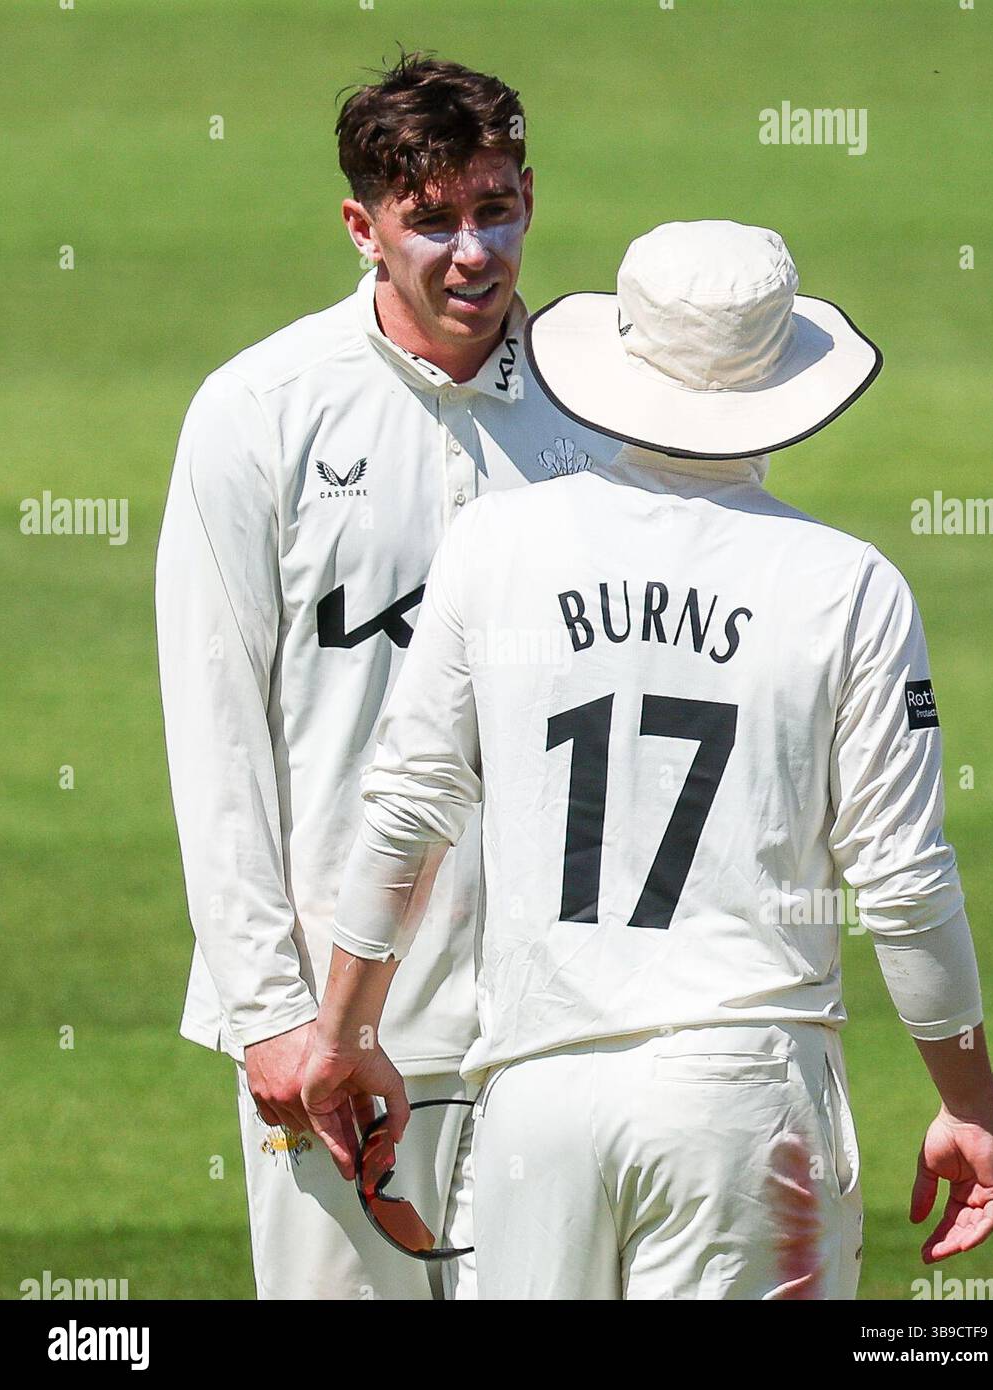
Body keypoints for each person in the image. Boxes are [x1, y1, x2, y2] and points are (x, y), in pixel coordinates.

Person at [301, 220, 993, 1299]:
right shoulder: (846, 585)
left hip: (535, 1100)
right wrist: (966, 1103)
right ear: (780, 373)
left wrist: (345, 1027)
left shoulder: (495, 546)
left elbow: (405, 807)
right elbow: (901, 880)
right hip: (741, 1100)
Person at [155, 52, 615, 1300]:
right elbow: (216, 732)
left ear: (531, 193)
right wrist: (266, 1011)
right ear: (362, 226)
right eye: (433, 220)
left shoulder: (609, 407)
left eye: (496, 207)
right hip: (342, 1023)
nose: (474, 251)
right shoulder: (258, 412)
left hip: (566, 1024)